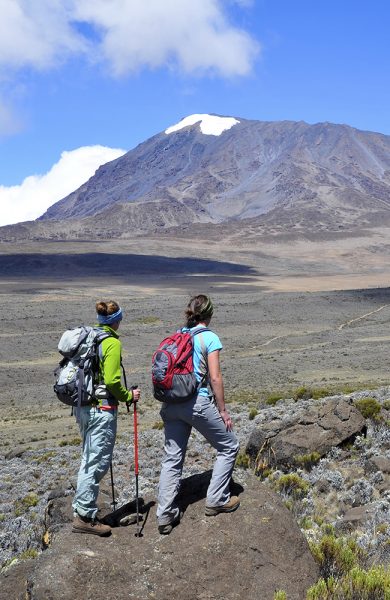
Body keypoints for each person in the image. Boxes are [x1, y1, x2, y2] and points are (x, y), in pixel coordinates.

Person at [156, 294, 240, 534]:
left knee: (172, 459)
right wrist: (223, 410)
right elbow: (215, 377)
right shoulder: (208, 337)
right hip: (197, 402)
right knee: (229, 446)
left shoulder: (179, 336)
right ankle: (217, 499)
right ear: (210, 314)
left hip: (171, 404)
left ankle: (164, 515)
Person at [72, 300, 141, 536]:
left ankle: (82, 511)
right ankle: (84, 517)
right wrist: (128, 395)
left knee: (89, 458)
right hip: (101, 410)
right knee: (96, 462)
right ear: (117, 320)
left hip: (83, 408)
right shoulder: (111, 343)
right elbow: (112, 381)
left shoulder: (90, 338)